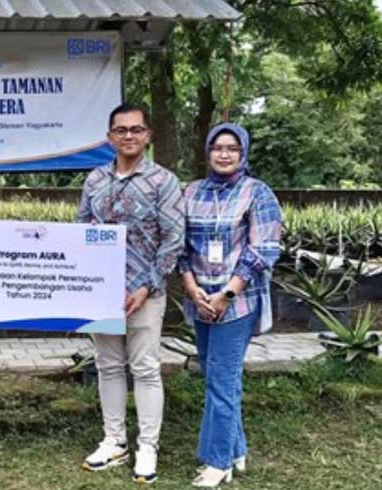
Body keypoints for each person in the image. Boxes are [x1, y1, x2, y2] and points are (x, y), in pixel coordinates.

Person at [77, 103, 185, 484]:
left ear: (147, 135)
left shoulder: (163, 181)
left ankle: (148, 447)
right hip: (101, 291)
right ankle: (114, 441)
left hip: (145, 292)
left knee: (145, 369)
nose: (128, 136)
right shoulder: (94, 180)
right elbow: (80, 229)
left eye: (136, 129)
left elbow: (174, 239)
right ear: (110, 137)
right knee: (107, 366)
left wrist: (146, 285)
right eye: (121, 130)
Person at [178, 123, 281, 487]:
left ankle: (217, 461)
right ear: (207, 152)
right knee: (217, 377)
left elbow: (263, 249)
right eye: (217, 147)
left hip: (237, 303)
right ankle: (236, 450)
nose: (224, 154)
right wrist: (193, 289)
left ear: (243, 153)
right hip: (200, 300)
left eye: (232, 148)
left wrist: (227, 295)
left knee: (221, 380)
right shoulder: (191, 192)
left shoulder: (258, 192)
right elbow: (179, 245)